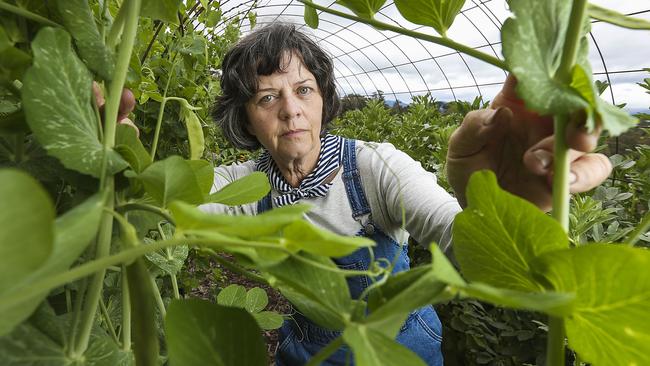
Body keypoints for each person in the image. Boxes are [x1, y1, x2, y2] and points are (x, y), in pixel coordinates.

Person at [112, 22, 611, 366]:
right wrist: (124, 156)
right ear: (245, 118)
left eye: (304, 90)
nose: (290, 111)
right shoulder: (243, 183)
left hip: (402, 349)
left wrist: (506, 213)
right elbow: (162, 208)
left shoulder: (375, 167)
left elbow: (456, 239)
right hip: (307, 352)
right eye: (267, 97)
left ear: (324, 99)